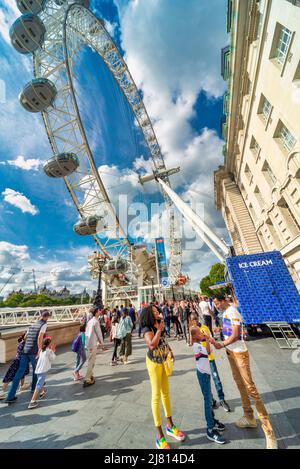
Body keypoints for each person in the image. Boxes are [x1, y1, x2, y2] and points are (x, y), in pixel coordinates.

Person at [212, 294, 278, 449]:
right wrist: (220, 329)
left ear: (224, 301)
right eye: (214, 303)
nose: (216, 306)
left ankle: (269, 432)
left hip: (239, 353)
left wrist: (221, 344)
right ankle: (249, 416)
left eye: (217, 303)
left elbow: (235, 335)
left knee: (250, 388)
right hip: (231, 353)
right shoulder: (227, 313)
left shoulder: (232, 311)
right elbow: (231, 330)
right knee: (240, 385)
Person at [140, 304, 185, 449]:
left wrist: (170, 350)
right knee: (156, 396)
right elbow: (152, 345)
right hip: (153, 363)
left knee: (166, 393)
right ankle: (159, 436)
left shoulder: (159, 324)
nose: (157, 312)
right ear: (149, 314)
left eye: (157, 310)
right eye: (154, 311)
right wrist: (159, 330)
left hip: (163, 360)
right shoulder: (147, 329)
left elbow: (164, 341)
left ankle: (170, 425)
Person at [5, 310, 51, 405]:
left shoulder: (32, 325)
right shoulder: (44, 324)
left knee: (19, 373)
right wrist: (39, 349)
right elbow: (40, 337)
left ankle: (10, 396)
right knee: (37, 370)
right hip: (33, 352)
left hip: (24, 351)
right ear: (47, 317)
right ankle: (34, 388)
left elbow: (25, 337)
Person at [190, 327, 226, 445]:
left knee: (209, 399)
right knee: (207, 400)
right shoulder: (197, 346)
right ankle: (210, 429)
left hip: (205, 374)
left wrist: (206, 339)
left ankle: (212, 420)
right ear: (195, 336)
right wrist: (208, 340)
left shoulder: (199, 344)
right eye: (200, 333)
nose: (202, 333)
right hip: (203, 375)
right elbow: (209, 352)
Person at [190, 314, 231, 413]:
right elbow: (192, 343)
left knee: (216, 379)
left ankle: (222, 399)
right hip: (201, 360)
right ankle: (211, 400)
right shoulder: (192, 329)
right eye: (192, 320)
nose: (195, 321)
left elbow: (210, 339)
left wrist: (206, 338)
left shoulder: (204, 328)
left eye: (195, 319)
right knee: (206, 382)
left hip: (210, 358)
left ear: (198, 319)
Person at [28, 337, 56, 409]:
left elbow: (37, 358)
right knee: (38, 385)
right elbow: (53, 359)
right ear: (49, 344)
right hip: (42, 370)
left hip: (38, 369)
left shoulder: (41, 350)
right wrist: (53, 351)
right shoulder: (48, 351)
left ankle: (42, 392)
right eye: (51, 342)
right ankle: (32, 401)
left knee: (40, 382)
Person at [0, 334, 29, 400]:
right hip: (18, 361)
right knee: (10, 376)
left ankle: (22, 386)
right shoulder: (24, 344)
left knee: (21, 374)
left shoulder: (20, 342)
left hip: (18, 361)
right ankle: (2, 392)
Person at [83, 307, 105, 388]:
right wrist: (102, 343)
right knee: (91, 362)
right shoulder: (95, 321)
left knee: (91, 360)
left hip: (88, 344)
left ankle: (91, 375)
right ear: (96, 313)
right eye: (99, 311)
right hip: (92, 344)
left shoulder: (90, 321)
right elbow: (99, 333)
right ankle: (87, 379)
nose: (100, 312)